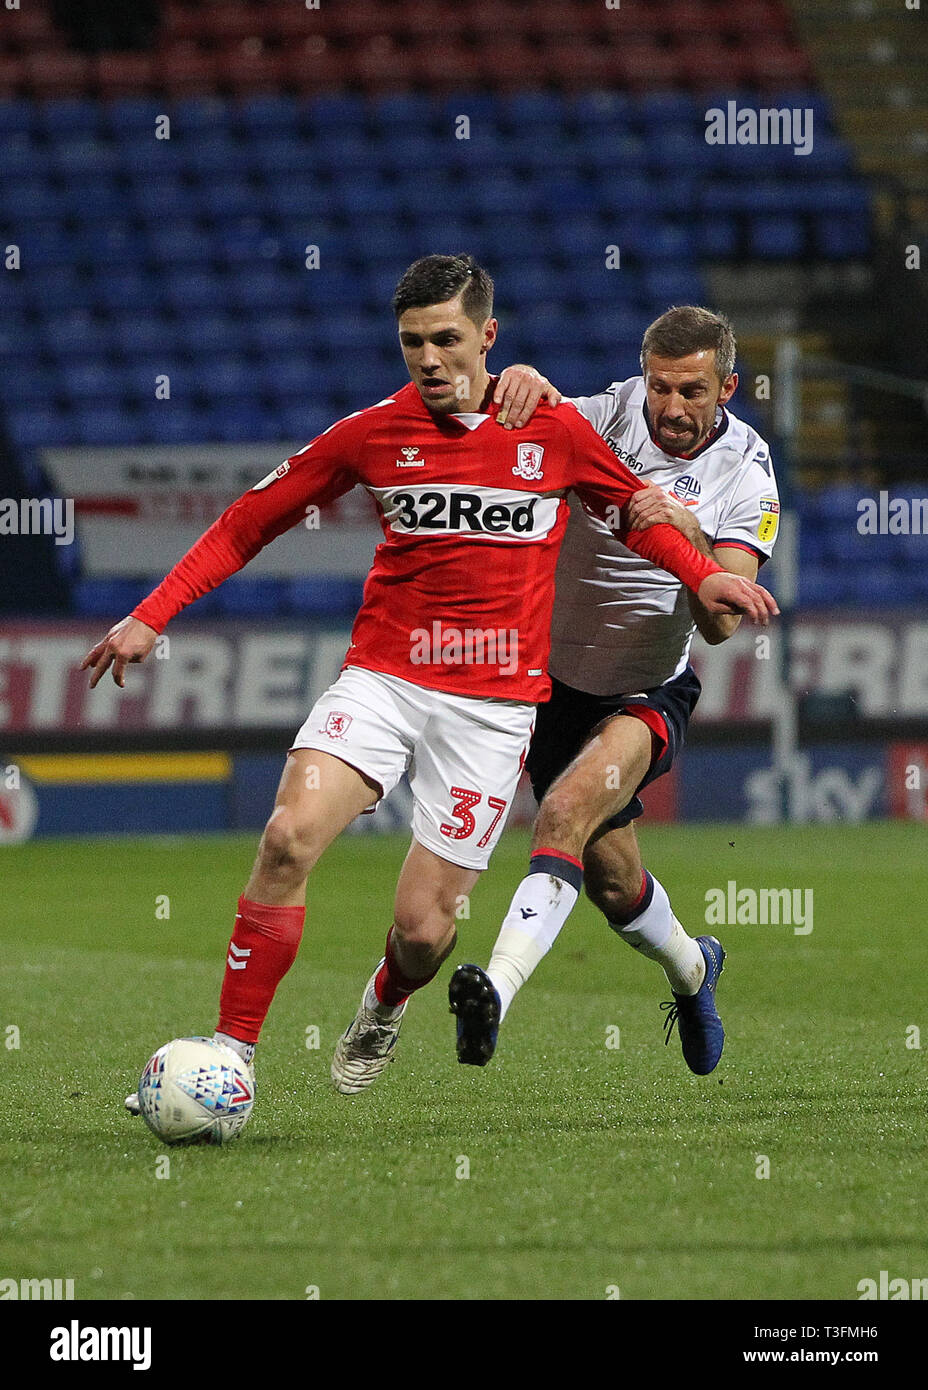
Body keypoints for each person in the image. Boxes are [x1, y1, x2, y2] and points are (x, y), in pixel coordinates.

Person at [80, 262, 776, 1108]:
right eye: (412, 342)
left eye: (447, 339)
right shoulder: (375, 431)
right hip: (384, 677)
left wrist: (703, 579)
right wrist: (152, 614)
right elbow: (248, 521)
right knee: (287, 838)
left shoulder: (557, 434)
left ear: (485, 335)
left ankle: (387, 1000)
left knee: (425, 930)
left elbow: (636, 509)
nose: (429, 359)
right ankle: (233, 1056)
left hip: (495, 712)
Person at [450, 306, 780, 1077]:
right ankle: (695, 969)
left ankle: (493, 993)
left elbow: (723, 624)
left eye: (693, 391)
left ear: (727, 386)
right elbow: (514, 421)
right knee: (611, 881)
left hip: (645, 690)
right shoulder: (604, 416)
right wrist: (518, 384)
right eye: (660, 387)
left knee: (562, 815)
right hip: (551, 687)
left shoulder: (747, 470)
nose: (672, 408)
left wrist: (689, 533)